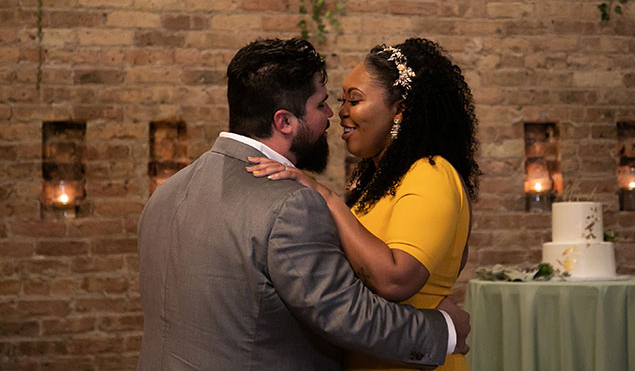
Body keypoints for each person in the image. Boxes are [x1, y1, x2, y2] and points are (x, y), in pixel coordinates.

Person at [137, 38, 470, 371]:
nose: (332, 114)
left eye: (348, 100)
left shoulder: (166, 194)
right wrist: (444, 331)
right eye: (323, 103)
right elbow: (346, 312)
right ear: (284, 122)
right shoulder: (289, 205)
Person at [249, 38, 480, 371]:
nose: (341, 111)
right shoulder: (373, 180)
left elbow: (394, 280)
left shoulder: (430, 172)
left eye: (354, 100)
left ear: (400, 108)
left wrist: (325, 196)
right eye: (341, 99)